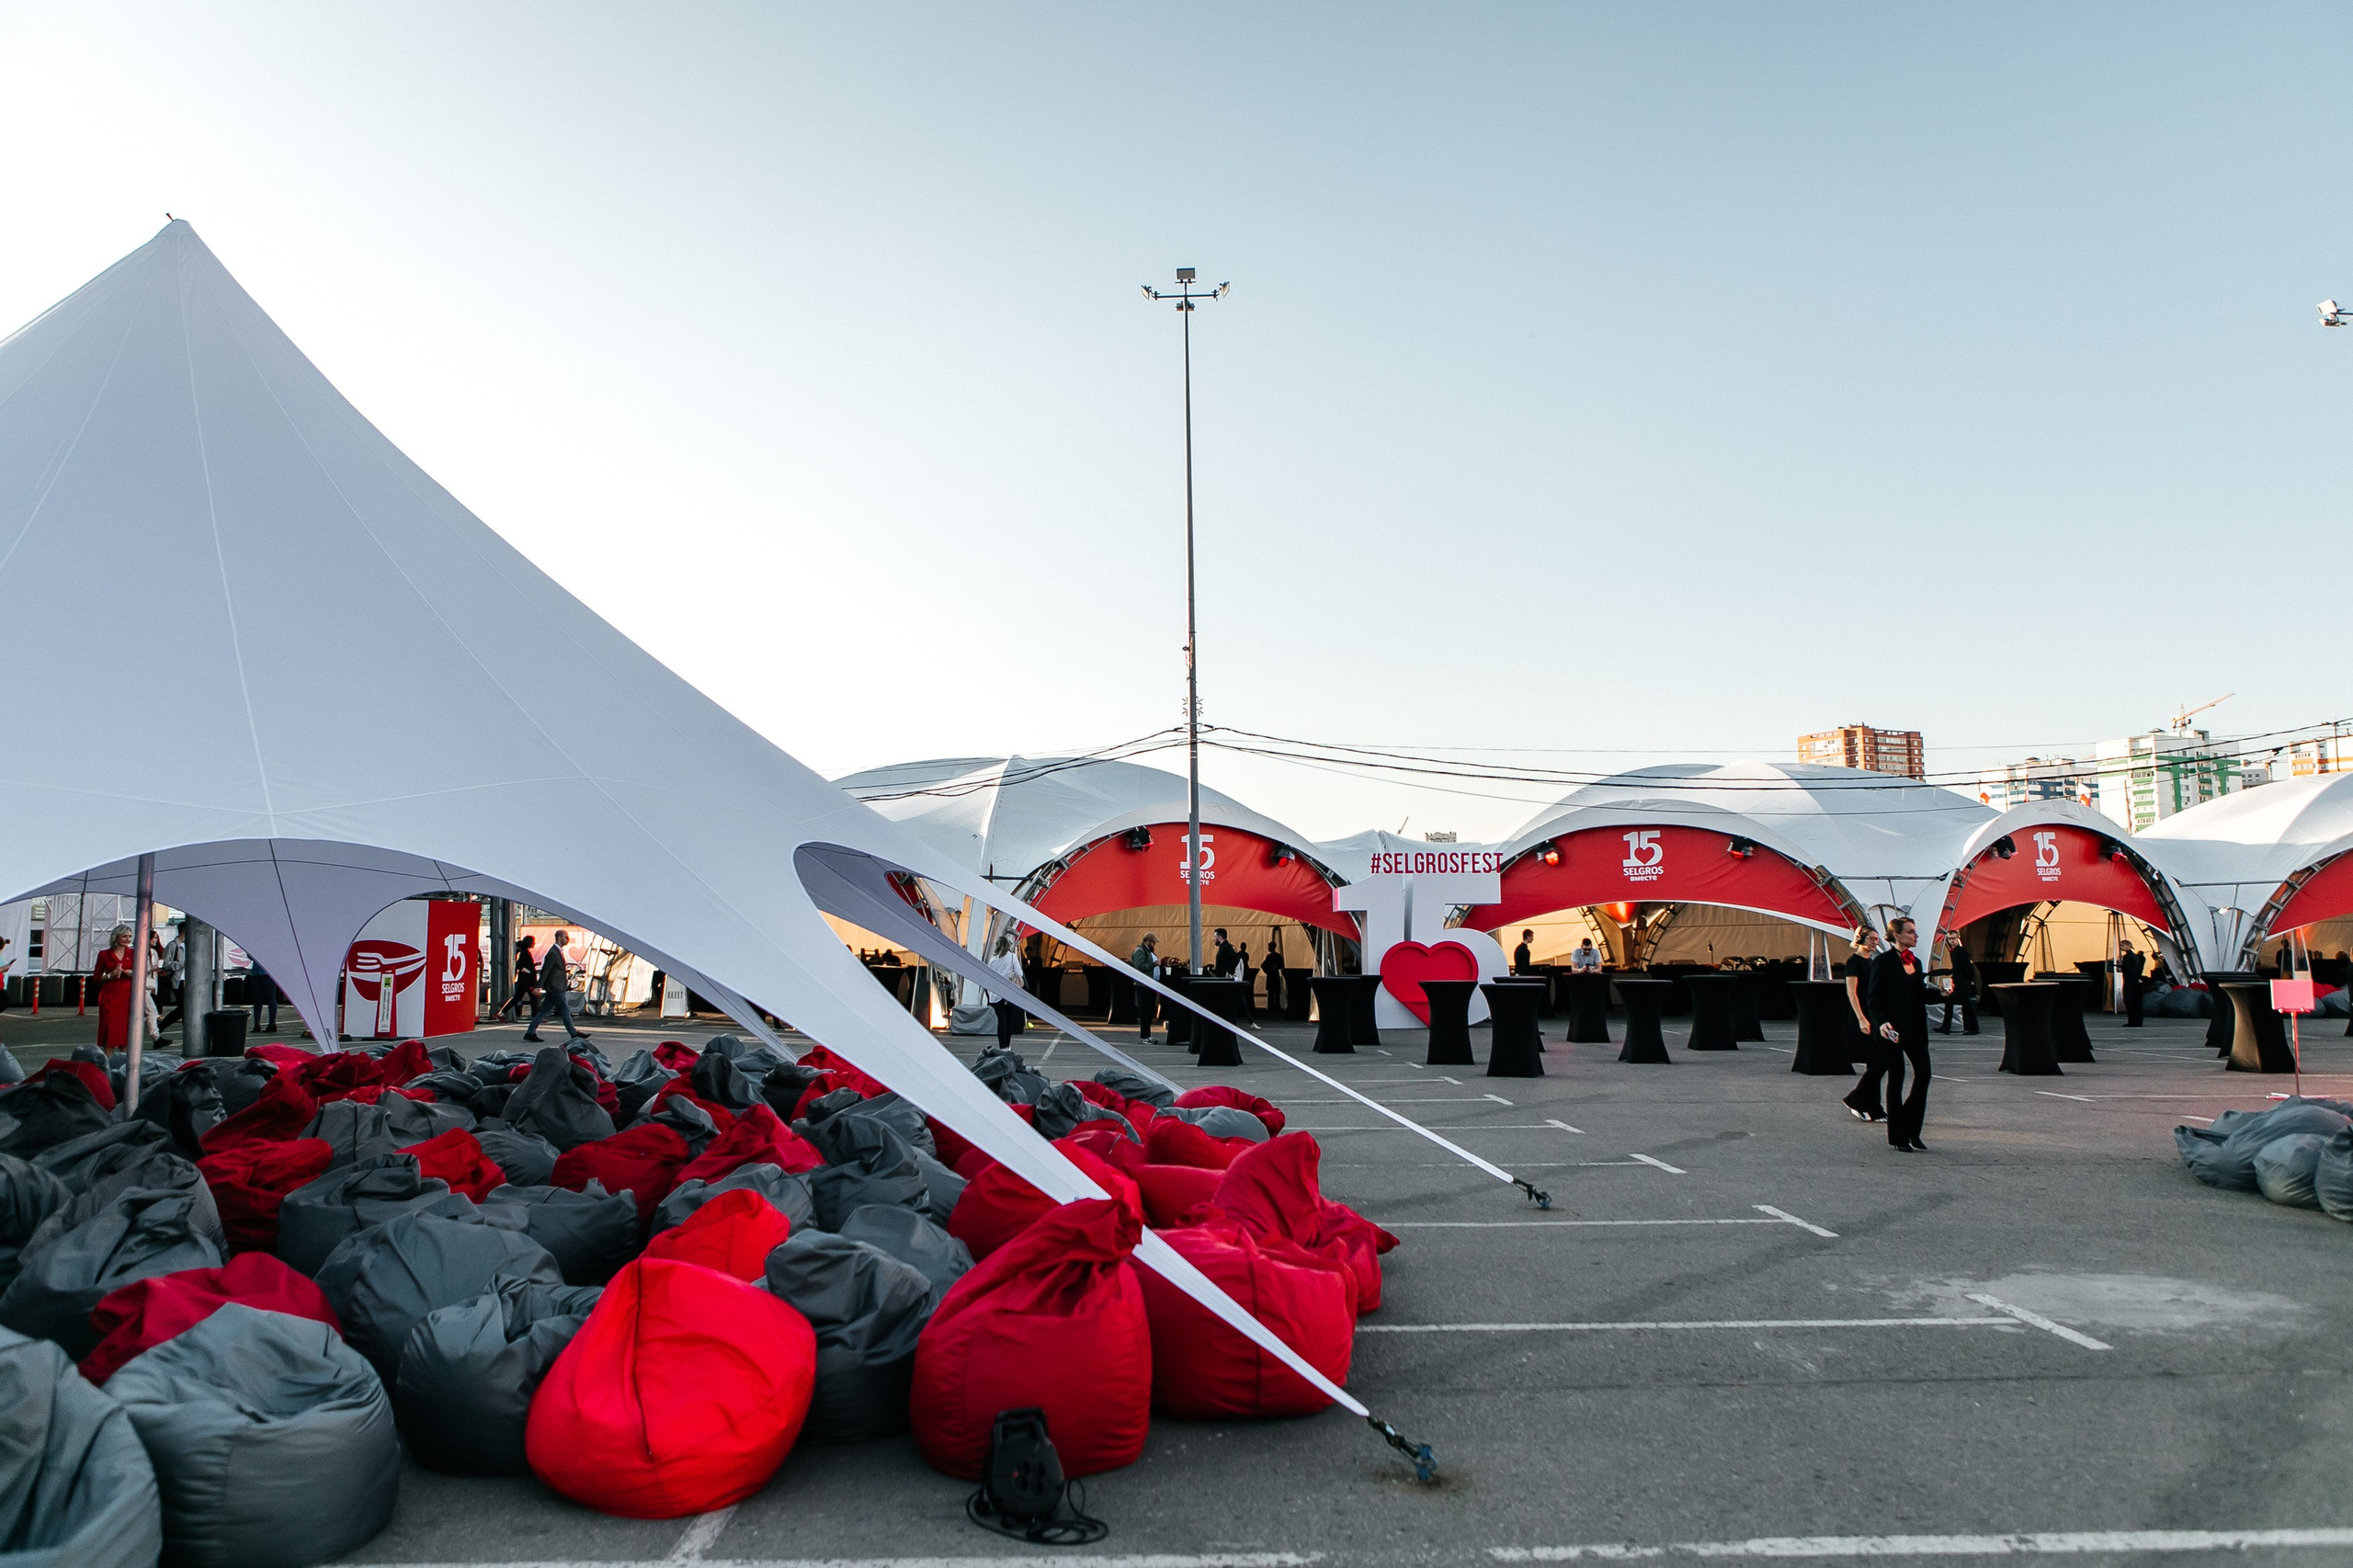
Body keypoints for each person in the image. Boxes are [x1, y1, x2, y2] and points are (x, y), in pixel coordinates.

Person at [1868, 918, 1949, 1153]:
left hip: (1914, 1029)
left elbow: (1919, 995)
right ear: (1897, 935)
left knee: (1924, 1074)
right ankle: (1898, 1136)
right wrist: (1881, 1022)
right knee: (1897, 1076)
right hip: (1890, 1030)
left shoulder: (1916, 961)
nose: (1916, 935)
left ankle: (1912, 1129)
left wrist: (1942, 994)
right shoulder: (1883, 962)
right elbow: (1873, 997)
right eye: (1911, 932)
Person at [1840, 926, 1885, 1122]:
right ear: (1861, 938)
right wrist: (1861, 1018)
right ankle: (1855, 1099)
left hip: (1874, 1016)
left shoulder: (1872, 962)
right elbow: (1852, 992)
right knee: (1878, 1063)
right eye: (1872, 939)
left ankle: (1873, 1106)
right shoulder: (1854, 962)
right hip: (1861, 1016)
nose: (1875, 942)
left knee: (1877, 1064)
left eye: (1877, 939)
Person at [521, 931, 590, 1043]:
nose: (567, 939)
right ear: (559, 938)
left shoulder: (557, 951)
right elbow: (546, 971)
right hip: (555, 988)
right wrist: (539, 986)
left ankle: (530, 1032)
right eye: (565, 937)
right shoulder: (553, 953)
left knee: (544, 1011)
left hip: (556, 987)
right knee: (565, 1009)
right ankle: (573, 1033)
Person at [93, 924, 137, 1051]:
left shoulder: (134, 953)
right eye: (124, 936)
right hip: (110, 996)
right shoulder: (104, 955)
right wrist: (110, 975)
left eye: (129, 936)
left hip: (128, 995)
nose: (128, 939)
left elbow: (142, 972)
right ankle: (108, 1061)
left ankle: (123, 1063)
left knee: (125, 1031)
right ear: (116, 937)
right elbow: (96, 977)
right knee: (110, 1030)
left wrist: (131, 973)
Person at [985, 935, 1027, 1050]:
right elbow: (1020, 973)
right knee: (1009, 1020)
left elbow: (989, 975)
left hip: (996, 993)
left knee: (1001, 1020)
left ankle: (1002, 1045)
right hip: (1009, 993)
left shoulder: (993, 959)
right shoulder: (1012, 957)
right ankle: (1007, 1046)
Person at [494, 934, 540, 1021]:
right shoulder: (524, 953)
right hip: (527, 981)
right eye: (533, 942)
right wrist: (529, 971)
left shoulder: (525, 952)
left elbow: (524, 965)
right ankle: (536, 1017)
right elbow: (519, 965)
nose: (534, 944)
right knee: (533, 997)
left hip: (524, 980)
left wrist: (533, 965)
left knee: (517, 998)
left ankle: (501, 1013)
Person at [1938, 937, 1978, 1036]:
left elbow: (1967, 967)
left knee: (1964, 1005)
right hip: (1960, 981)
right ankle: (1946, 1027)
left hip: (1962, 983)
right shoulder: (1955, 951)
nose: (1951, 941)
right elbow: (1959, 967)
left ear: (1957, 939)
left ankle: (1973, 1027)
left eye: (1953, 939)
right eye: (1950, 939)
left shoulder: (1960, 952)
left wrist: (1969, 980)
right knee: (1955, 1003)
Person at [1129, 933, 1160, 1040]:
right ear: (1149, 941)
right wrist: (1154, 964)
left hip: (1150, 985)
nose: (1154, 944)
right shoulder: (1140, 951)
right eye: (1154, 942)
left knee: (1149, 1011)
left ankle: (1148, 1035)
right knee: (1145, 1011)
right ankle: (1144, 1036)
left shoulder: (1149, 951)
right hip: (1143, 986)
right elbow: (1139, 966)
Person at [248, 959, 279, 1034]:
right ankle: (257, 1023)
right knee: (257, 999)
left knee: (270, 998)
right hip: (257, 972)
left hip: (268, 972)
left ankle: (272, 1023)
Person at [2120, 943, 2147, 1028]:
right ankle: (2138, 1021)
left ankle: (2132, 1021)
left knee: (2130, 1002)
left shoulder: (2127, 957)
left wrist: (2135, 978)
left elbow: (2128, 970)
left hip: (2130, 982)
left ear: (2128, 946)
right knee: (2137, 1002)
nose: (2121, 947)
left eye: (2122, 945)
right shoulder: (2137, 957)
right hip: (2136, 982)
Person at [1262, 935, 1286, 1016]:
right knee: (1274, 992)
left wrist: (1267, 970)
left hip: (1272, 976)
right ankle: (1276, 1007)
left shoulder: (1270, 957)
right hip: (1274, 975)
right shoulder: (1276, 956)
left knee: (1272, 992)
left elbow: (1264, 965)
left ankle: (1272, 1007)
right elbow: (1282, 965)